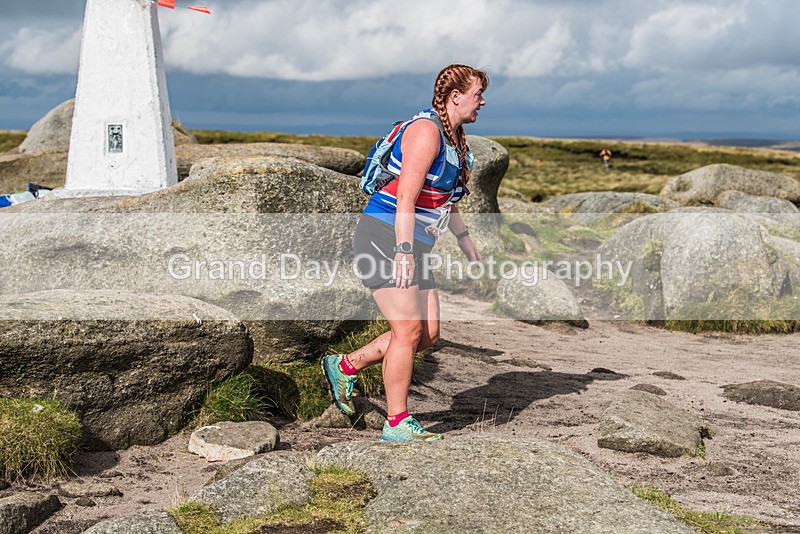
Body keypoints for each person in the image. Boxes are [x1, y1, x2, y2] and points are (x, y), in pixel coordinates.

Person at [322, 64, 488, 442]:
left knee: (427, 334)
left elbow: (447, 201)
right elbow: (405, 198)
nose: (483, 101)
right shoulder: (426, 132)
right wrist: (403, 251)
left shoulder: (455, 138)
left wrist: (467, 246)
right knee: (407, 329)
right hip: (385, 236)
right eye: (478, 93)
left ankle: (346, 365)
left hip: (414, 244)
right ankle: (396, 423)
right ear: (455, 96)